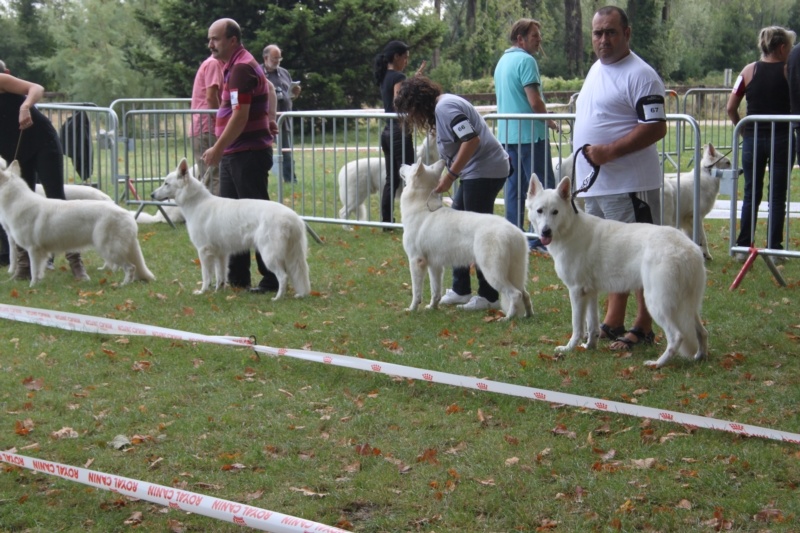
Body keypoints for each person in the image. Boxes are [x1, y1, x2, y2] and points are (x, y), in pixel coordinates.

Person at [572, 6, 667, 350]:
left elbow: (655, 127)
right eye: (597, 33)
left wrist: (609, 152)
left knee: (640, 256)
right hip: (597, 185)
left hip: (629, 185)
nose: (603, 39)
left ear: (626, 33)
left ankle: (644, 326)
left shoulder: (642, 75)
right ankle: (614, 320)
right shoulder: (596, 69)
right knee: (611, 256)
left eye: (610, 32)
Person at [394, 76, 510, 311]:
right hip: (475, 172)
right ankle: (460, 289)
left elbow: (471, 140)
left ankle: (488, 295)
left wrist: (450, 176)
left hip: (484, 171)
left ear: (417, 103)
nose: (412, 117)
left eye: (411, 111)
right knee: (455, 229)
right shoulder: (441, 109)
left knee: (476, 233)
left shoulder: (445, 108)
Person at [201, 18, 281, 293]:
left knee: (258, 219)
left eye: (215, 39)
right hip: (237, 152)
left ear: (232, 40)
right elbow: (268, 89)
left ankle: (272, 278)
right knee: (231, 219)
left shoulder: (241, 68)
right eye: (210, 39)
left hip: (246, 154)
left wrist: (218, 148)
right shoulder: (236, 65)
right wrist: (270, 118)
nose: (210, 44)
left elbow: (240, 115)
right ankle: (237, 278)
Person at [0, 65, 89, 280]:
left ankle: (75, 261)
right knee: (19, 208)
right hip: (15, 152)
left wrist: (25, 106)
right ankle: (24, 266)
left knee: (56, 198)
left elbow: (36, 88)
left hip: (42, 142)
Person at [726, 26, 796, 263]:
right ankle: (775, 250)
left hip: (753, 138)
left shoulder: (748, 70)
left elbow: (730, 107)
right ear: (782, 48)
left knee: (750, 193)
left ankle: (743, 246)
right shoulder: (788, 70)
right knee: (777, 195)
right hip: (782, 138)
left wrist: (743, 129)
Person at [494, 18, 557, 252]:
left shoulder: (502, 62)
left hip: (507, 136)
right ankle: (541, 239)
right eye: (534, 36)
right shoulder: (527, 61)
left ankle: (514, 238)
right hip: (531, 135)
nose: (539, 39)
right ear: (520, 39)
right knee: (543, 190)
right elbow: (534, 101)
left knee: (514, 191)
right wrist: (549, 120)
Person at [373, 41, 424, 228]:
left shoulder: (384, 76)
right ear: (396, 57)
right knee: (411, 176)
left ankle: (387, 221)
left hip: (387, 131)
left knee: (391, 179)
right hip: (399, 132)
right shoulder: (398, 76)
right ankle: (413, 219)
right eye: (405, 58)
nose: (406, 62)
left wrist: (411, 82)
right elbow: (398, 102)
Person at [262, 44, 300, 184]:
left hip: (283, 119)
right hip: (263, 120)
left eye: (279, 58)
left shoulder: (284, 72)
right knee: (261, 151)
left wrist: (295, 93)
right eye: (274, 58)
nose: (277, 61)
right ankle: (260, 178)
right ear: (265, 58)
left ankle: (290, 180)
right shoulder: (257, 72)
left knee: (286, 151)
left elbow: (289, 96)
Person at [191, 54, 223, 195]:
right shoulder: (213, 64)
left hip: (203, 127)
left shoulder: (211, 63)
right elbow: (211, 96)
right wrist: (221, 121)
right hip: (207, 127)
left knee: (208, 176)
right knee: (214, 176)